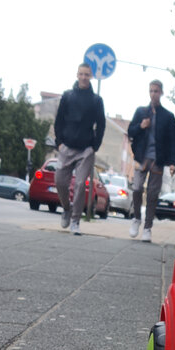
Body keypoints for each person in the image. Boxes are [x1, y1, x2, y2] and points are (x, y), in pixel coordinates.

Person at [54, 62, 106, 235]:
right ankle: (66, 209)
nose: (84, 77)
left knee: (79, 184)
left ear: (91, 77)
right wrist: (59, 143)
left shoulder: (96, 101)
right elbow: (59, 120)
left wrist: (94, 147)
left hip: (85, 150)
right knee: (60, 181)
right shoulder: (67, 96)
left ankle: (75, 220)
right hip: (66, 146)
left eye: (87, 75)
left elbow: (101, 125)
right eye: (81, 74)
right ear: (77, 75)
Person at [126, 79, 175, 242]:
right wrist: (141, 126)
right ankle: (136, 218)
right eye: (151, 91)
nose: (153, 94)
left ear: (161, 93)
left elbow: (173, 141)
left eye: (156, 91)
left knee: (152, 194)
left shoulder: (168, 116)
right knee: (136, 189)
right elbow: (131, 131)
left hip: (158, 160)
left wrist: (172, 162)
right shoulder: (141, 112)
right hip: (141, 157)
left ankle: (147, 227)